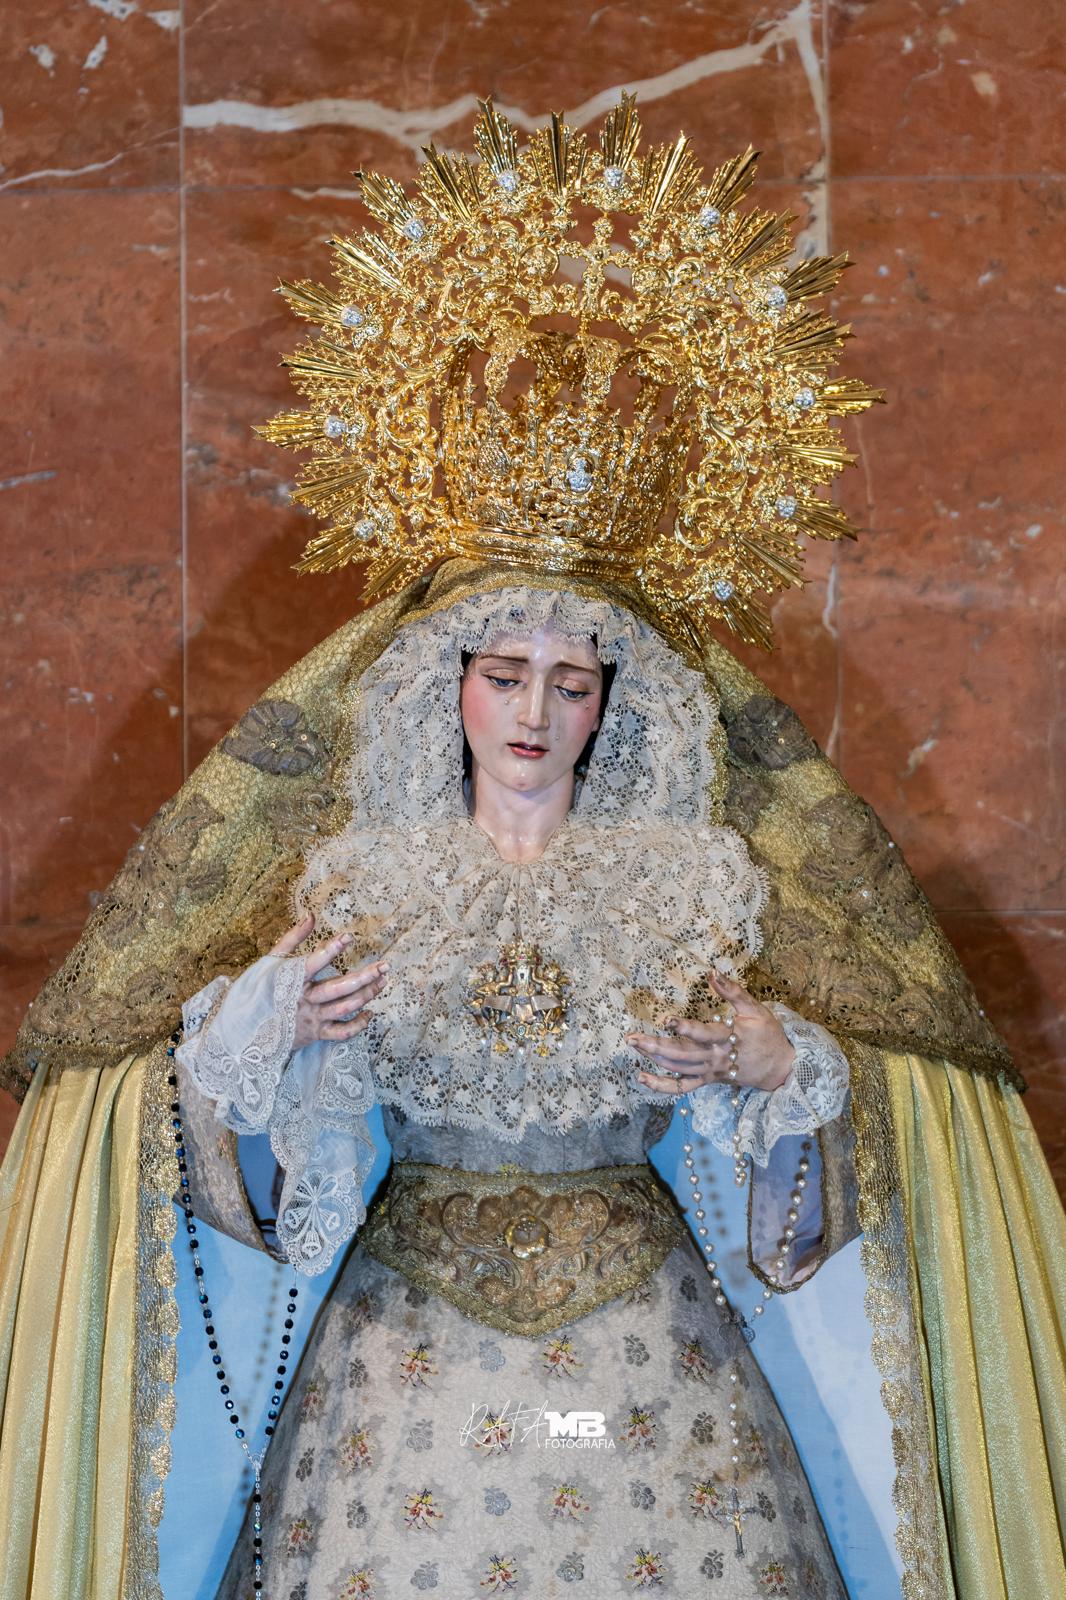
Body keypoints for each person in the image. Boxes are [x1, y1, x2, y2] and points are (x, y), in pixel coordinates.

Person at [0, 97, 1062, 1600]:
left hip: (646, 1367)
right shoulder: (367, 884)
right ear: (451, 687)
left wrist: (780, 1066)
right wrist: (264, 1027)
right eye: (505, 675)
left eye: (573, 683)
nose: (535, 712)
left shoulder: (683, 885)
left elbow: (787, 1201)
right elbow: (284, 1174)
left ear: (612, 707)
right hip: (405, 1369)